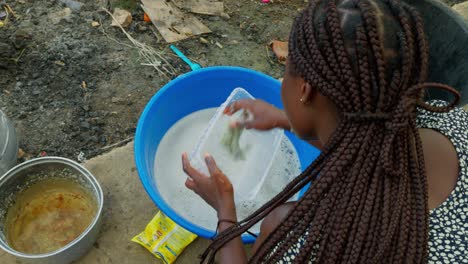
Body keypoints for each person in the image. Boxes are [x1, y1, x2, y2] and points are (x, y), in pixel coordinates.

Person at [181, 0, 467, 263]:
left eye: (288, 69)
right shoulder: (451, 122)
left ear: (305, 89)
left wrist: (225, 213)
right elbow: (367, 144)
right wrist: (285, 119)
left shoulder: (302, 236)